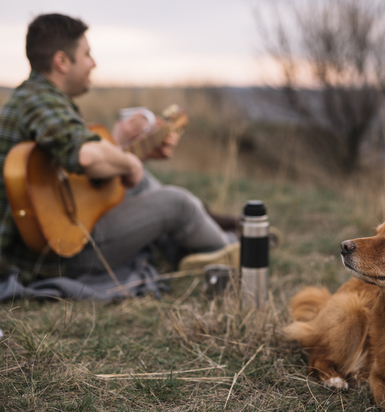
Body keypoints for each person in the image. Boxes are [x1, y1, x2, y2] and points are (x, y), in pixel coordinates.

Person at [0, 13, 239, 301]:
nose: (93, 63)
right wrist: (129, 162)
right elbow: (85, 157)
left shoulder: (30, 98)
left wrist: (122, 145)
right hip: (57, 257)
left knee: (142, 182)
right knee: (177, 203)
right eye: (87, 54)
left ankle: (199, 237)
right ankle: (231, 251)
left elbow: (66, 170)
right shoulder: (42, 101)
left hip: (42, 248)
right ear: (62, 62)